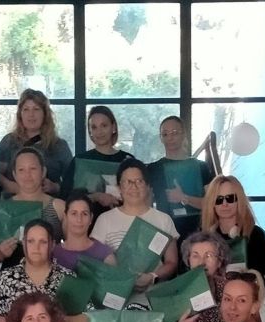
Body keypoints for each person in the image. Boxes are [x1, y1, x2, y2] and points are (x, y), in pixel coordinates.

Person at [91, 158, 180, 304]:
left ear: (147, 185)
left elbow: (172, 262)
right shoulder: (104, 219)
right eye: (128, 182)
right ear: (119, 187)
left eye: (139, 181)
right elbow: (95, 262)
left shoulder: (163, 219)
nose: (134, 187)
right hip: (115, 297)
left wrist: (152, 276)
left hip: (152, 298)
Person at [0, 220, 74, 322]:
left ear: (52, 245)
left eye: (43, 242)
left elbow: (86, 320)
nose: (36, 247)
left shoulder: (68, 278)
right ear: (23, 243)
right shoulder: (5, 278)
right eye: (31, 241)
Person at [201, 175, 265, 295]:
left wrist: (251, 286)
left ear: (239, 199)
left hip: (247, 302)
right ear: (212, 203)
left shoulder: (256, 234)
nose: (224, 204)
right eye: (218, 199)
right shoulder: (204, 239)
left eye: (230, 198)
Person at [0, 146, 66, 269]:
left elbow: (72, 246)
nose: (27, 175)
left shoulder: (59, 207)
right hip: (12, 275)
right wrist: (1, 252)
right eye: (21, 170)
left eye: (33, 168)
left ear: (43, 172)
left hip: (51, 274)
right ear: (14, 174)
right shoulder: (3, 209)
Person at [0, 89, 72, 198]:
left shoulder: (59, 145)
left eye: (36, 109)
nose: (31, 114)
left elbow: (72, 182)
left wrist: (54, 187)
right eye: (26, 109)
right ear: (20, 114)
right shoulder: (9, 141)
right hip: (12, 205)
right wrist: (13, 187)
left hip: (48, 204)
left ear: (45, 114)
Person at [148, 115, 215, 237]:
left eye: (174, 132)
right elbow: (146, 204)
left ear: (184, 134)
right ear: (161, 138)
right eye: (165, 134)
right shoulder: (153, 169)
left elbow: (212, 204)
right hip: (165, 233)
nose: (170, 138)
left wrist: (184, 198)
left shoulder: (201, 167)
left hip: (198, 233)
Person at [65, 105, 134, 216]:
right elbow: (66, 198)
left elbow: (138, 195)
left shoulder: (127, 161)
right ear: (90, 131)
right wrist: (95, 197)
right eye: (94, 127)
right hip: (85, 223)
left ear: (113, 127)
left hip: (123, 221)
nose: (99, 131)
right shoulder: (79, 161)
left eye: (104, 125)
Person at [53, 188, 117, 271]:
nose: (79, 219)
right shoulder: (53, 254)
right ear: (65, 217)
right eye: (74, 213)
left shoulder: (105, 255)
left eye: (84, 214)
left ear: (91, 218)